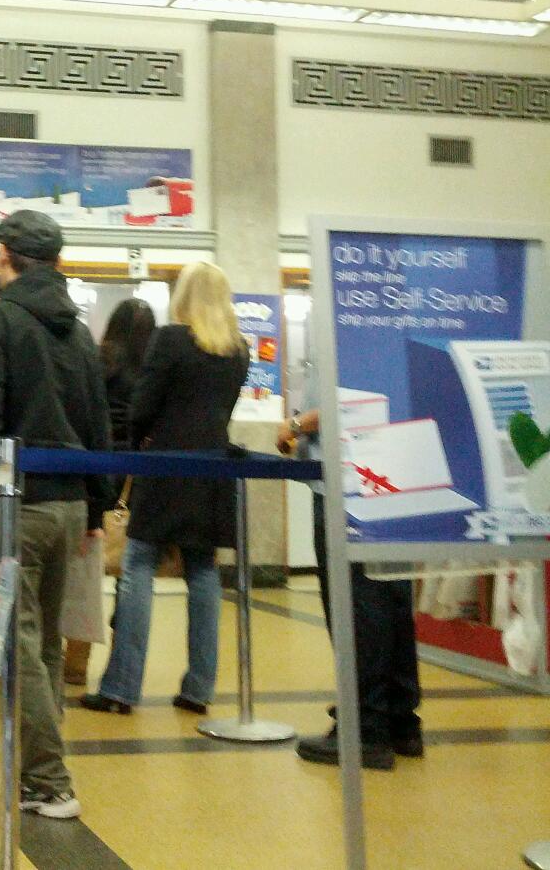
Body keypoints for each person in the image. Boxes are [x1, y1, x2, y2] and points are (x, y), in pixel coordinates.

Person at [0, 210, 112, 820]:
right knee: (39, 641)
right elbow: (99, 425)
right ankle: (30, 754)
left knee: (12, 642)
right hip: (68, 504)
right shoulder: (78, 331)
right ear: (58, 260)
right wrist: (96, 503)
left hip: (11, 508)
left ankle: (48, 781)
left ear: (3, 255)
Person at [82, 262, 247, 716]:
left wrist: (142, 443)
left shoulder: (172, 339)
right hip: (213, 470)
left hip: (166, 465)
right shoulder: (238, 350)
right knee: (203, 571)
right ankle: (199, 687)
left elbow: (143, 406)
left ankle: (121, 688)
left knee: (138, 566)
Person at [278, 368, 423, 770]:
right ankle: (400, 720)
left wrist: (294, 425)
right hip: (389, 472)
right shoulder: (382, 314)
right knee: (390, 593)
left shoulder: (341, 309)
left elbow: (340, 402)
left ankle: (365, 727)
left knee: (356, 603)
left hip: (348, 480)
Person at [64, 298, 156, 686]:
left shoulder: (98, 360)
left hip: (96, 469)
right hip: (136, 478)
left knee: (85, 569)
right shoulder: (152, 369)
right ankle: (122, 664)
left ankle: (76, 663)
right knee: (130, 575)